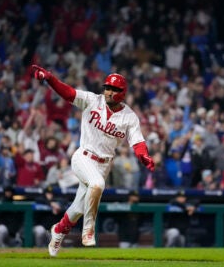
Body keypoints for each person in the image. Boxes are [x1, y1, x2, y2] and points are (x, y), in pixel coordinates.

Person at [31, 64, 155, 256]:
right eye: (108, 87)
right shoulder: (91, 100)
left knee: (78, 207)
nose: (109, 92)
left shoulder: (129, 116)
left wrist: (143, 155)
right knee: (97, 184)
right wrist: (50, 78)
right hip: (83, 157)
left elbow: (137, 142)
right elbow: (68, 93)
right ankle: (88, 230)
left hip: (103, 164)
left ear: (122, 92)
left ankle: (58, 230)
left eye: (114, 89)